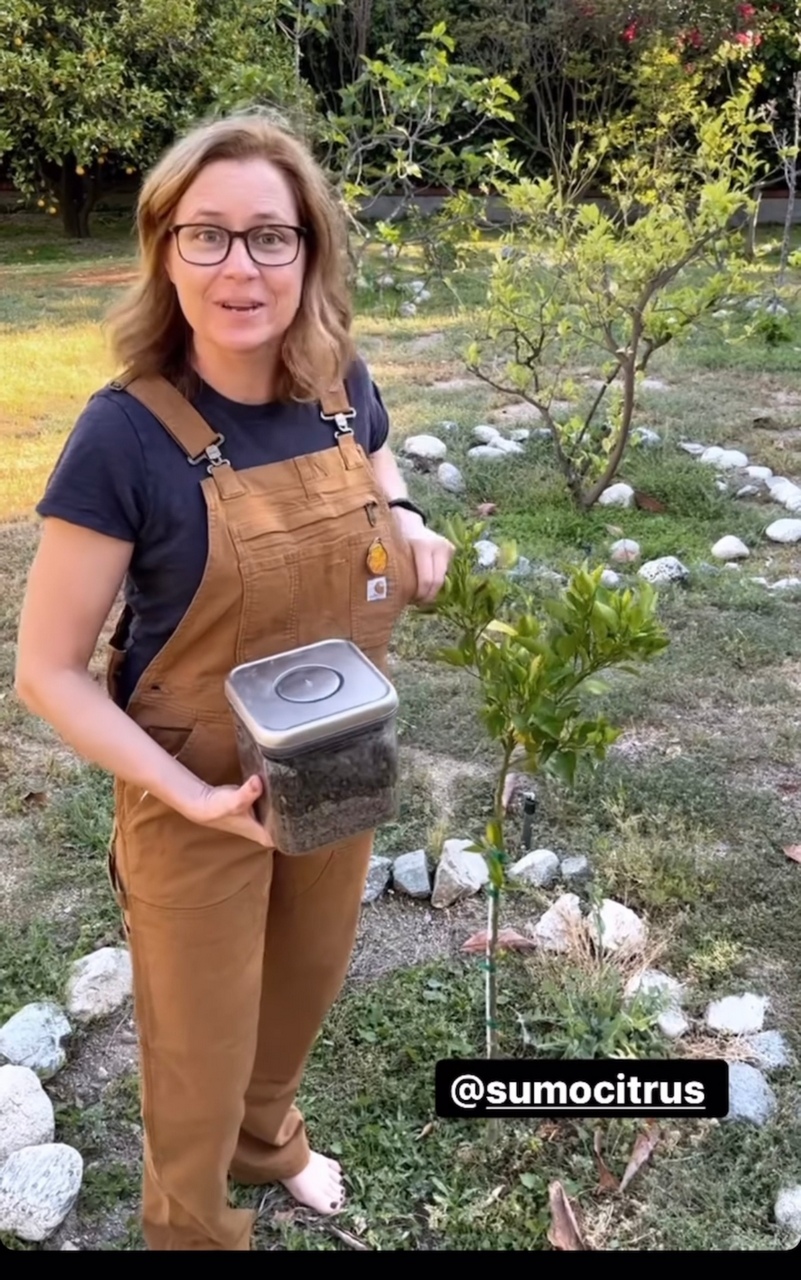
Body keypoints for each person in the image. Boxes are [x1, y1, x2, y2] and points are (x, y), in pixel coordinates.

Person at [14, 109, 455, 1251]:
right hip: (194, 788)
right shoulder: (125, 436)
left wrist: (405, 514)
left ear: (309, 250)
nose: (240, 266)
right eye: (207, 235)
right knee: (197, 1051)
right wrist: (194, 795)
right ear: (165, 248)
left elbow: (381, 450)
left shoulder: (333, 381)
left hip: (338, 759)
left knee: (301, 991)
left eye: (270, 235)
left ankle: (271, 1140)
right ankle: (193, 1224)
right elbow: (48, 672)